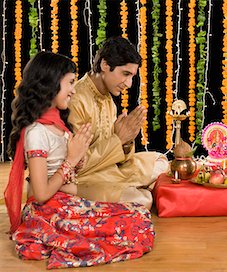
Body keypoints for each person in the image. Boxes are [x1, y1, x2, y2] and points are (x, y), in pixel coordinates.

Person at [4, 51, 155, 269]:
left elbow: (71, 170)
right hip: (48, 211)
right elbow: (41, 194)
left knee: (139, 216)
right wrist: (71, 161)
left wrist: (81, 157)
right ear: (51, 84)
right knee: (132, 226)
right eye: (70, 83)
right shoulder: (36, 132)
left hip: (67, 198)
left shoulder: (57, 123)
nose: (73, 90)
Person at [68, 37, 169, 209]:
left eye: (132, 76)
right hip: (86, 177)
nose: (129, 84)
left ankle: (126, 188)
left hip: (110, 168)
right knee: (142, 201)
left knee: (161, 161)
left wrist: (127, 142)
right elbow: (76, 165)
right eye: (125, 74)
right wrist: (118, 139)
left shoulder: (107, 98)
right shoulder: (77, 99)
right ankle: (128, 189)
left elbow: (118, 155)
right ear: (105, 65)